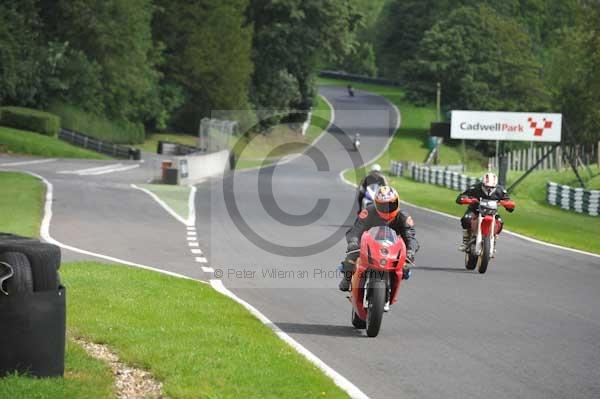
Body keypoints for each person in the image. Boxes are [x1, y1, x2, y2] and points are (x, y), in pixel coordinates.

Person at [339, 186, 419, 291]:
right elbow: (356, 229)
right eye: (383, 206)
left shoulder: (403, 217)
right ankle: (347, 279)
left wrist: (410, 251)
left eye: (391, 204)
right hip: (370, 245)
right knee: (353, 254)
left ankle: (393, 286)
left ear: (397, 202)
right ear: (376, 204)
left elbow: (410, 236)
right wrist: (353, 241)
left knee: (405, 270)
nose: (387, 209)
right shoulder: (368, 211)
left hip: (393, 248)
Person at [456, 172, 514, 251]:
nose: (489, 189)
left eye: (491, 187)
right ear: (483, 184)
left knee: (500, 222)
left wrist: (508, 204)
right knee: (466, 218)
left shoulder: (501, 190)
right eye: (486, 187)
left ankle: (494, 240)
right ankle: (465, 241)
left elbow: (508, 202)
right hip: (475, 210)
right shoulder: (475, 188)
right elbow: (461, 197)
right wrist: (467, 199)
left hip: (492, 212)